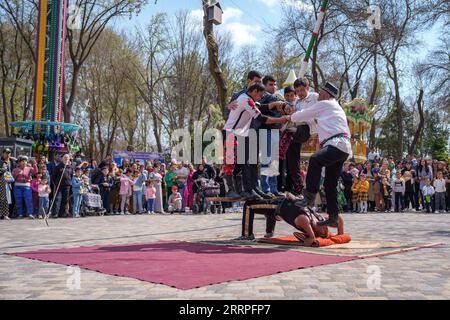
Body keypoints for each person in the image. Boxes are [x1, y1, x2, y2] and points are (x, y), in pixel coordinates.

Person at [288, 82, 352, 227]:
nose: (319, 94)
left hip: (336, 144)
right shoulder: (332, 106)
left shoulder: (325, 104)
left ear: (326, 94)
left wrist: (290, 114)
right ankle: (333, 217)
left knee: (315, 159)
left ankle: (309, 196)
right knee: (330, 184)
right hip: (341, 147)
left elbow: (301, 116)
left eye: (321, 92)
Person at [222, 82, 289, 199]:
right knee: (230, 162)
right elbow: (261, 118)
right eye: (261, 94)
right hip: (230, 132)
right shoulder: (245, 99)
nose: (262, 97)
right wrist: (281, 119)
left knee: (244, 163)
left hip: (241, 134)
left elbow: (261, 107)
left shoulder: (250, 100)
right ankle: (230, 190)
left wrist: (275, 104)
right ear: (255, 92)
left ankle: (246, 189)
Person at [51, 154, 73, 218]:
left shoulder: (70, 167)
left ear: (69, 159)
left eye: (67, 158)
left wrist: (69, 182)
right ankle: (55, 213)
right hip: (59, 185)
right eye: (65, 158)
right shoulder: (58, 166)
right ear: (62, 158)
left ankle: (62, 213)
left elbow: (71, 176)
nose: (66, 159)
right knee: (57, 199)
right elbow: (54, 176)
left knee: (65, 200)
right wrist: (56, 183)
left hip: (67, 186)